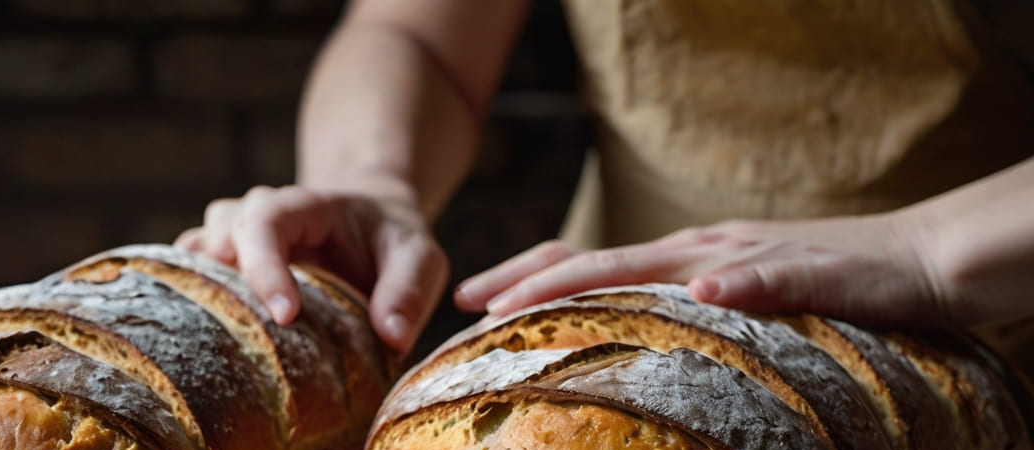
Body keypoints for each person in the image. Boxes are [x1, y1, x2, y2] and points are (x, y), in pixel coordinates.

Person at [176, 0, 1034, 371]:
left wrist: (917, 251)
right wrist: (373, 181)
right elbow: (415, 34)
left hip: (988, 321)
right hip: (621, 325)